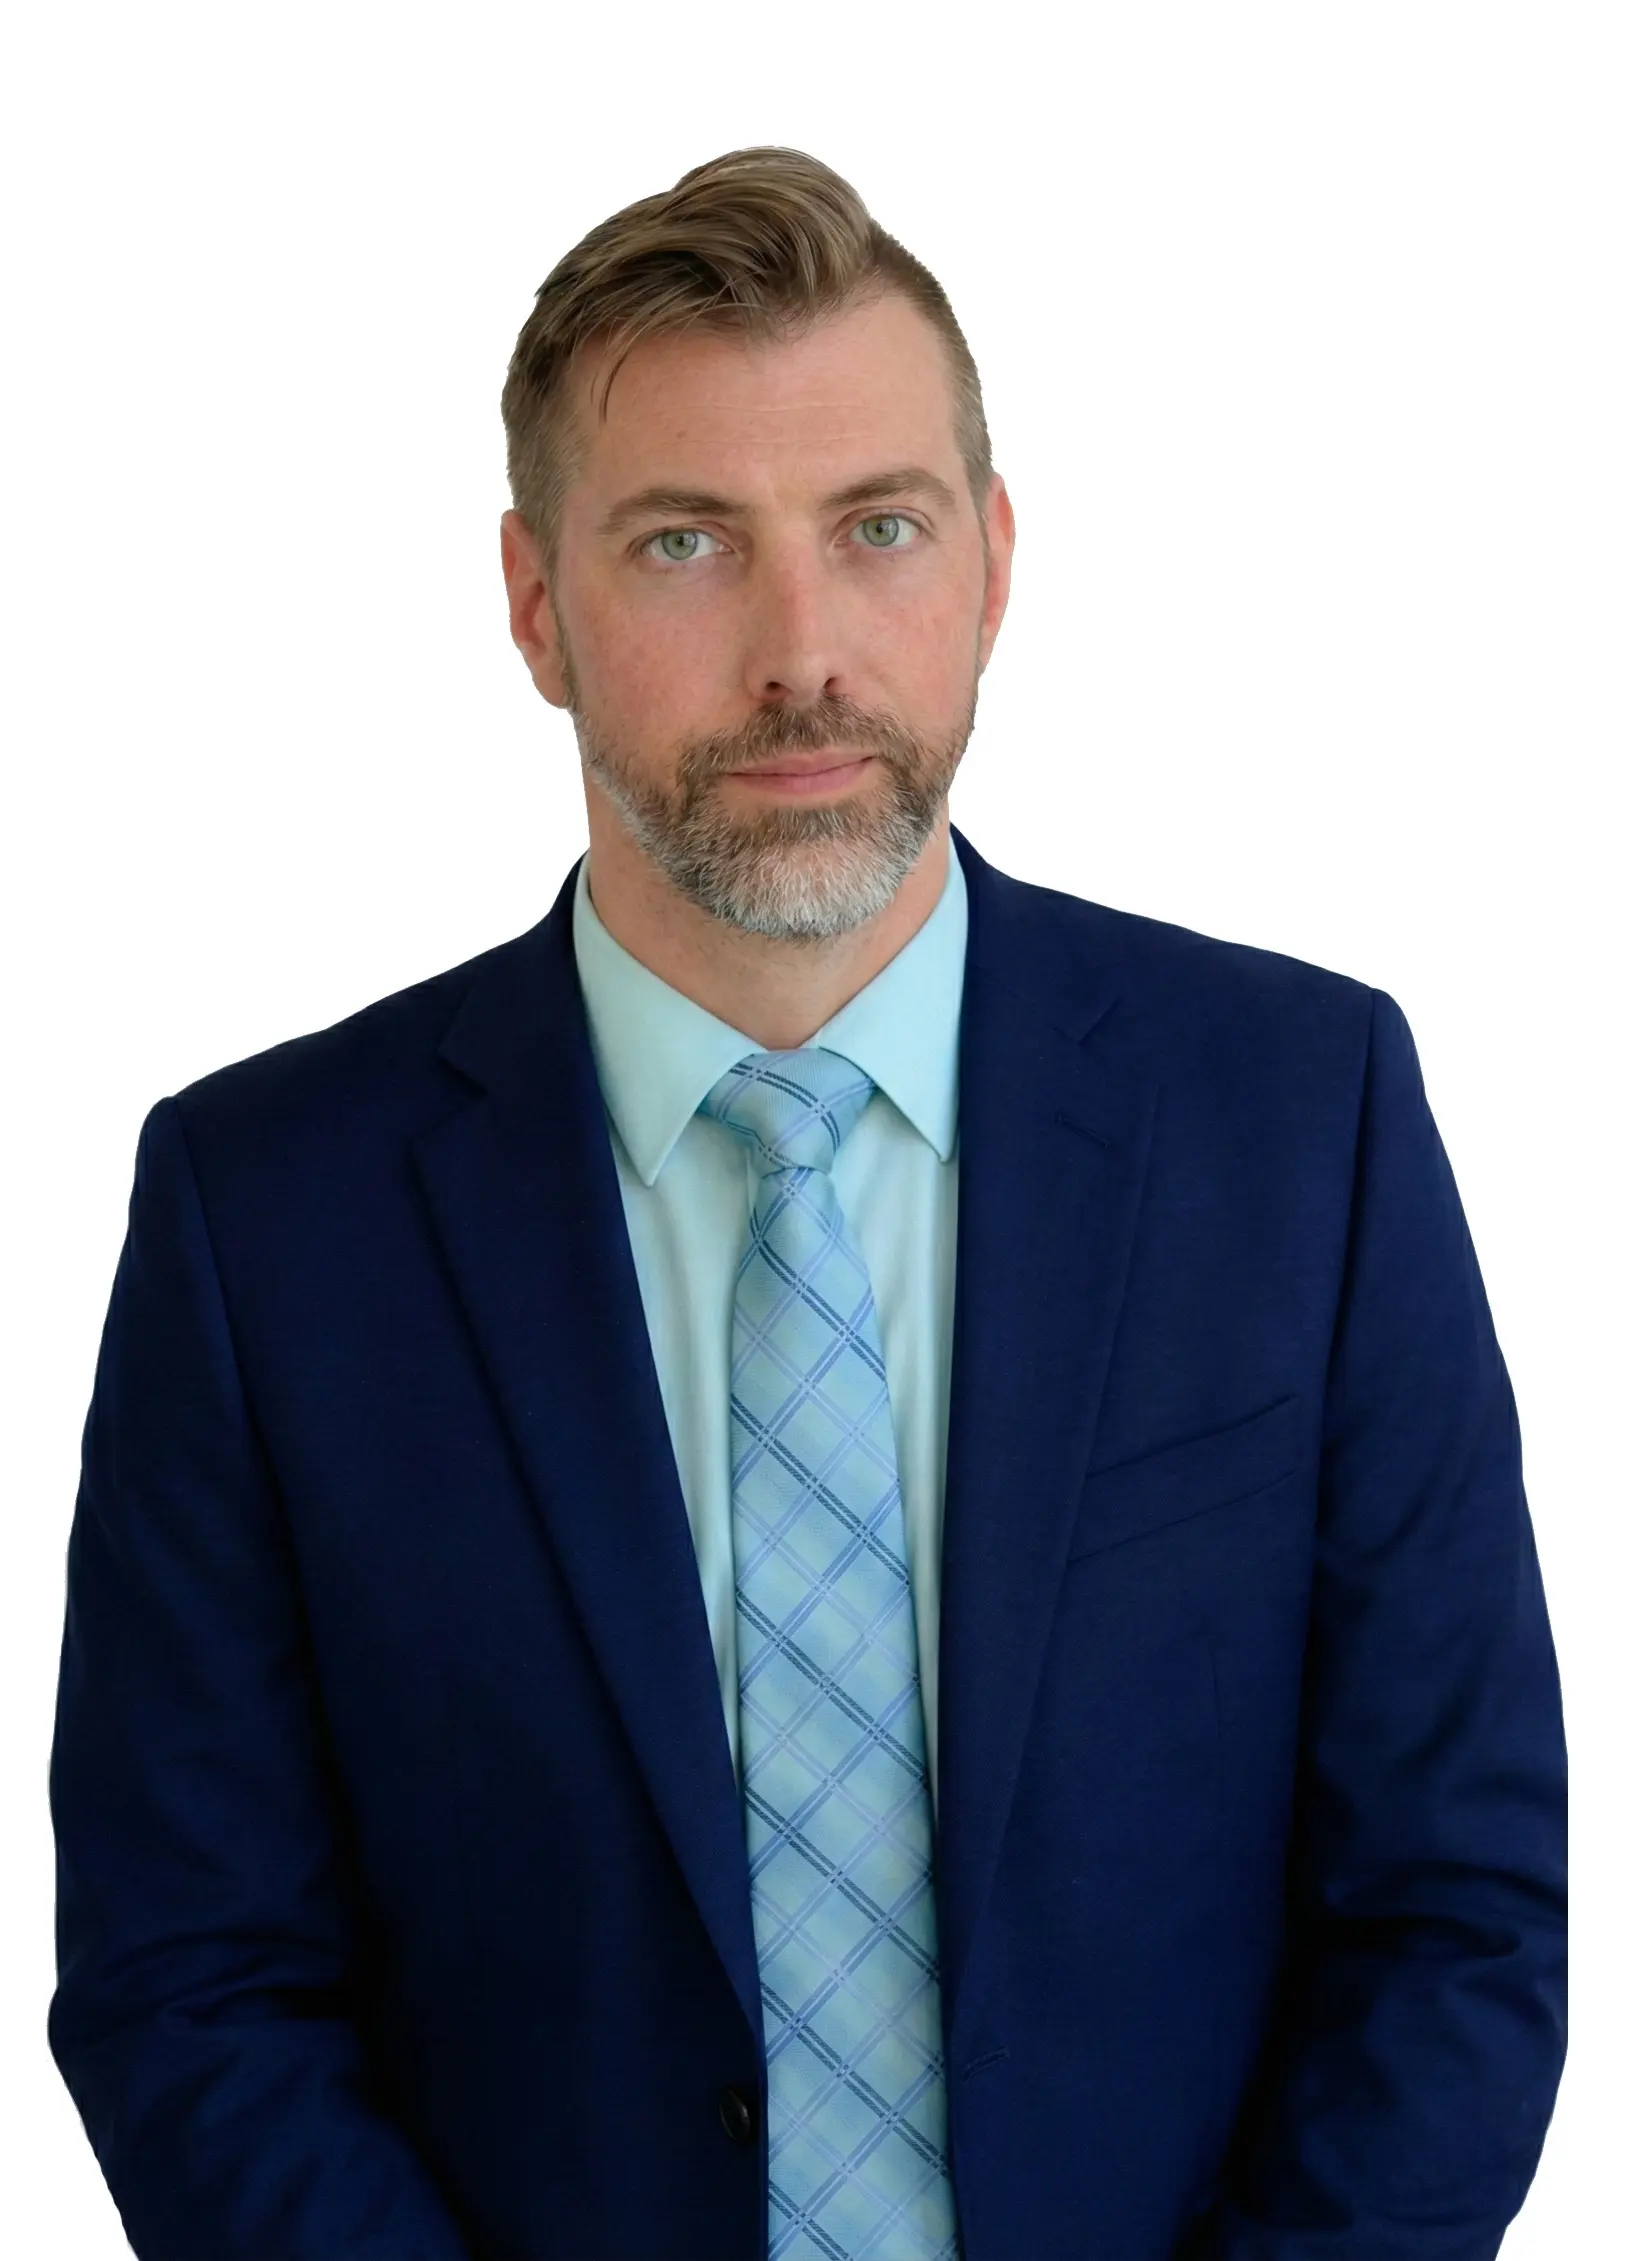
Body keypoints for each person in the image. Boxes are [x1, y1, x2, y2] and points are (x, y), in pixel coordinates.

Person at [47, 146, 1566, 2261]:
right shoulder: (264, 1215)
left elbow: (1453, 1908)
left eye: (879, 527)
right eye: (683, 542)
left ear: (994, 562)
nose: (802, 652)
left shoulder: (1303, 1125)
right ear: (533, 602)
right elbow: (192, 1979)